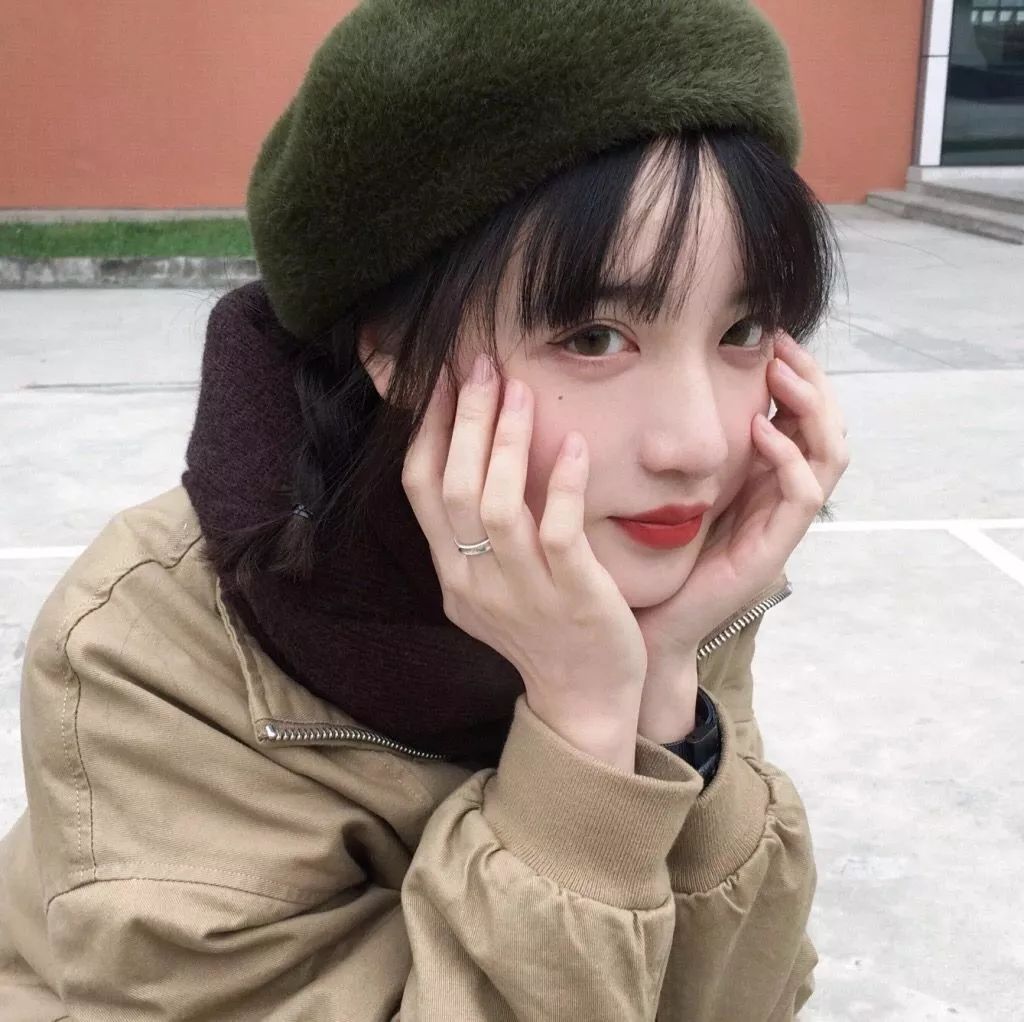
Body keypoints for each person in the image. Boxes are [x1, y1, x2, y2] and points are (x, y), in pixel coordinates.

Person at [0, 0, 851, 1018]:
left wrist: (665, 687)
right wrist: (584, 726)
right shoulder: (148, 654)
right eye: (592, 337)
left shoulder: (661, 562)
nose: (700, 444)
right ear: (391, 349)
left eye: (744, 329)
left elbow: (736, 997)